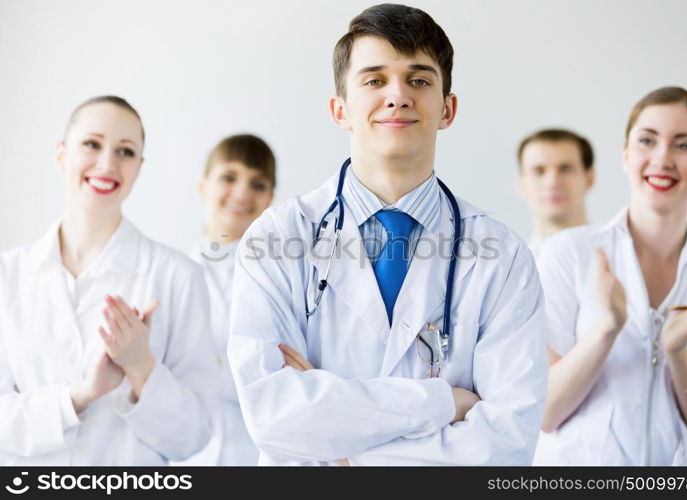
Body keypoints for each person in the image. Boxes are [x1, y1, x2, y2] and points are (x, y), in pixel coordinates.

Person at [227, 3, 547, 466]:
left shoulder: (503, 256)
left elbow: (507, 445)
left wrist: (343, 450)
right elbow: (274, 418)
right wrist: (444, 403)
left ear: (448, 108)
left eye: (419, 80)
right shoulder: (275, 239)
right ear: (341, 110)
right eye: (374, 80)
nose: (397, 96)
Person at [0, 96, 219, 465]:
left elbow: (193, 437)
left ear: (139, 167)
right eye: (92, 144)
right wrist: (80, 395)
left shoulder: (178, 276)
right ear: (61, 154)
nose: (107, 164)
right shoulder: (9, 275)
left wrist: (141, 368)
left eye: (125, 151)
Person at [535, 86, 687, 465]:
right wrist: (607, 326)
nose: (662, 159)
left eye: (684, 145)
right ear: (626, 155)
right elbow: (545, 413)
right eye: (647, 141)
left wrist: (677, 352)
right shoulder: (568, 253)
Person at [187, 134, 275, 465]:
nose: (241, 193)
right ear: (203, 185)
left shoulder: (282, 278)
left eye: (257, 183)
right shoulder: (170, 275)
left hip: (254, 454)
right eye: (228, 177)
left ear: (269, 198)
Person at [517, 129, 595, 256]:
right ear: (521, 184)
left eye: (565, 169)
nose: (552, 182)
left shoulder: (621, 257)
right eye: (539, 171)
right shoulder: (507, 270)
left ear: (589, 179)